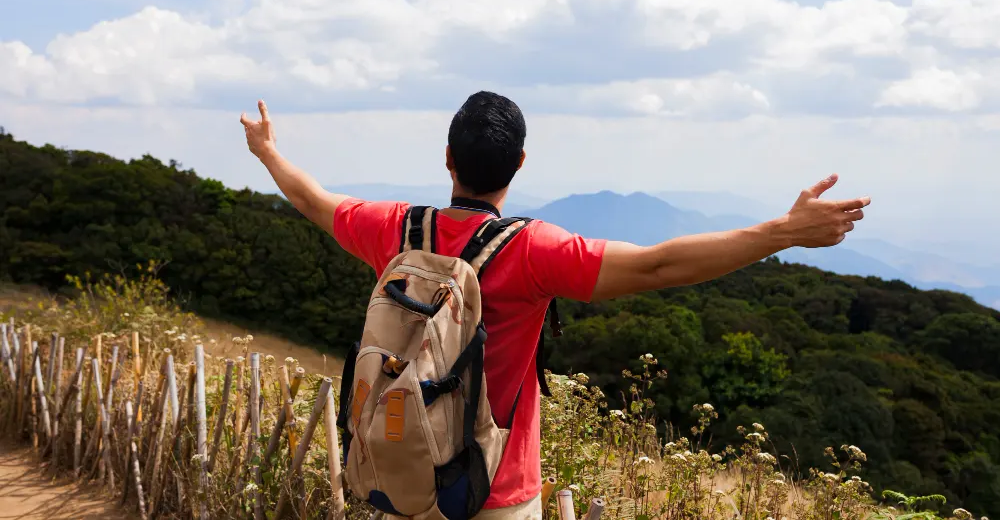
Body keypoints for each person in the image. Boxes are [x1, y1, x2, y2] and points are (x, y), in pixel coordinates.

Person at [240, 91, 870, 519]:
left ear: (449, 160)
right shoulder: (533, 251)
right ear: (518, 164)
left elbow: (315, 201)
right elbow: (660, 263)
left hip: (405, 478)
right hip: (496, 492)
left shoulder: (395, 230)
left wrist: (268, 151)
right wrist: (782, 233)